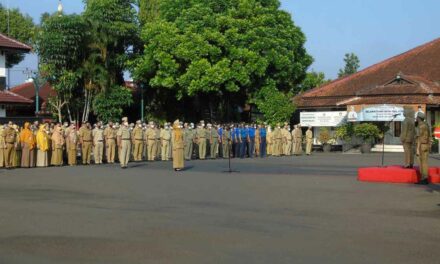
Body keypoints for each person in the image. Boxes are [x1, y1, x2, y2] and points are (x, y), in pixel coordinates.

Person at [416, 112, 431, 185]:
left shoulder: (421, 126)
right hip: (426, 145)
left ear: (419, 118)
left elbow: (419, 138)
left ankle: (423, 178)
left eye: (417, 117)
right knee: (425, 162)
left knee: (421, 163)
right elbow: (430, 136)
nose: (416, 118)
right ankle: (425, 178)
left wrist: (417, 149)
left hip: (421, 145)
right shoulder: (426, 125)